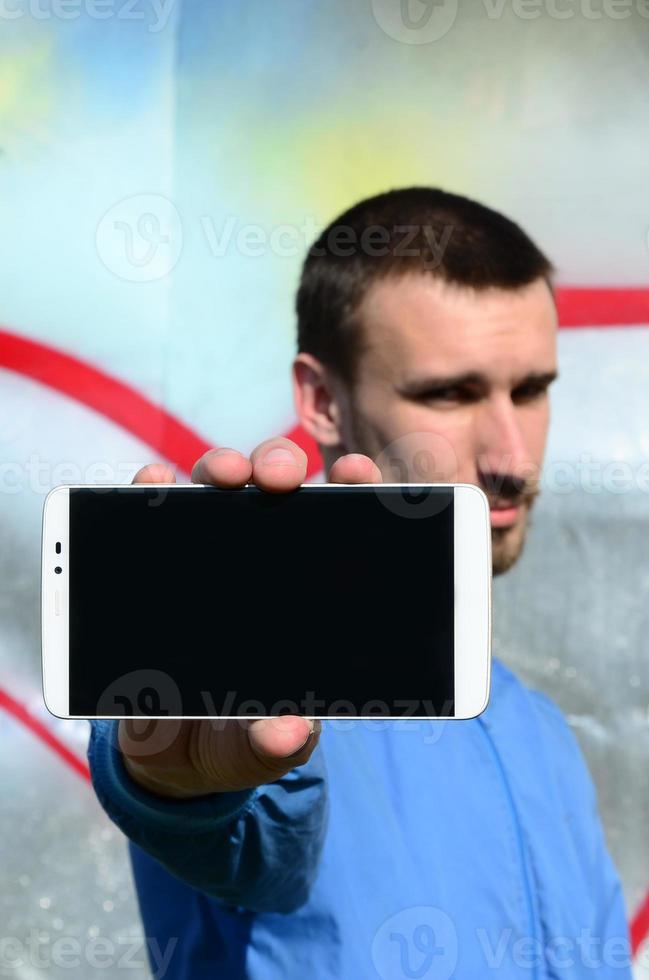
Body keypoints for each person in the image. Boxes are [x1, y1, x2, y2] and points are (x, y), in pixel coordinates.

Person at [88, 188, 631, 979]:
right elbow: (216, 794)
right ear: (319, 399)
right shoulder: (262, 682)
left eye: (530, 389)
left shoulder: (536, 729)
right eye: (449, 392)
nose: (510, 453)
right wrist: (171, 783)